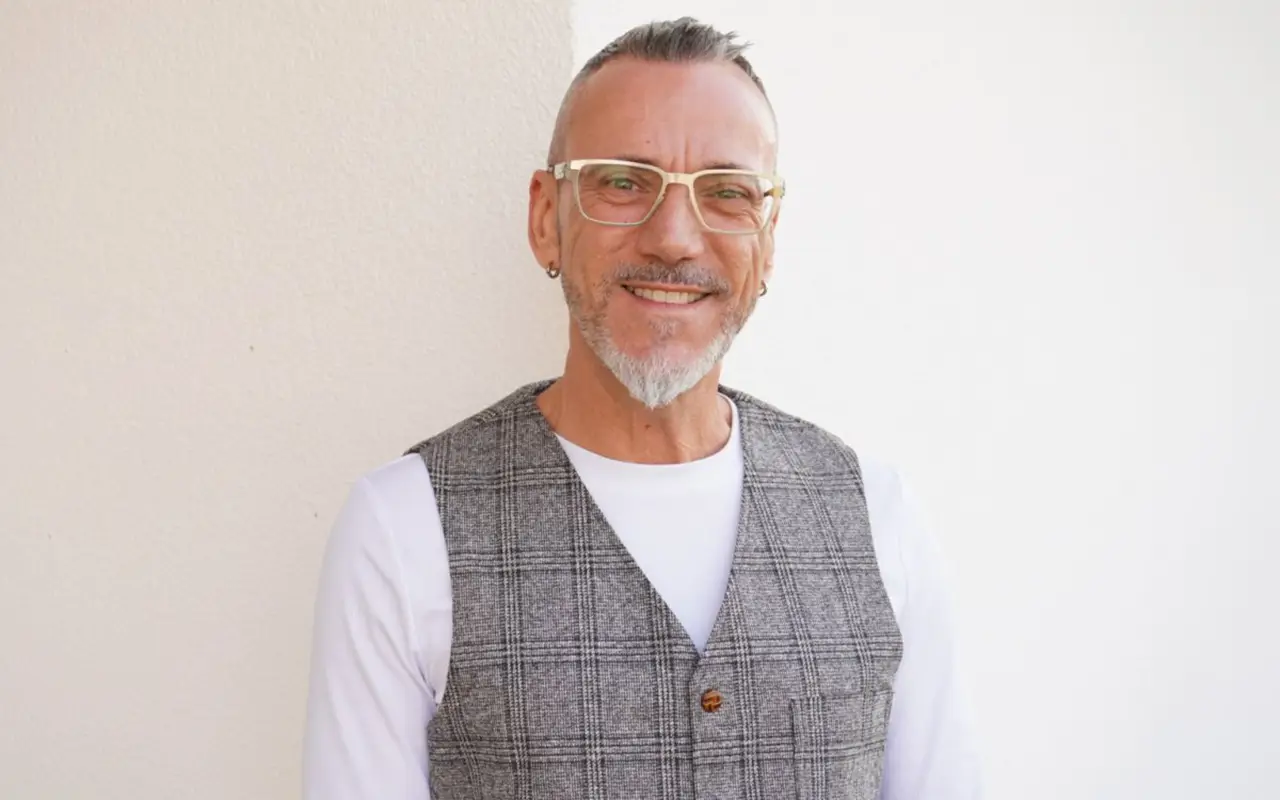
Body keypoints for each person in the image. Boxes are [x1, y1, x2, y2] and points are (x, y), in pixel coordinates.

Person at [303, 17, 981, 800]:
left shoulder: (879, 519)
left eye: (727, 192)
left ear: (767, 239)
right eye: (624, 182)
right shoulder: (401, 530)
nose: (674, 239)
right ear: (546, 219)